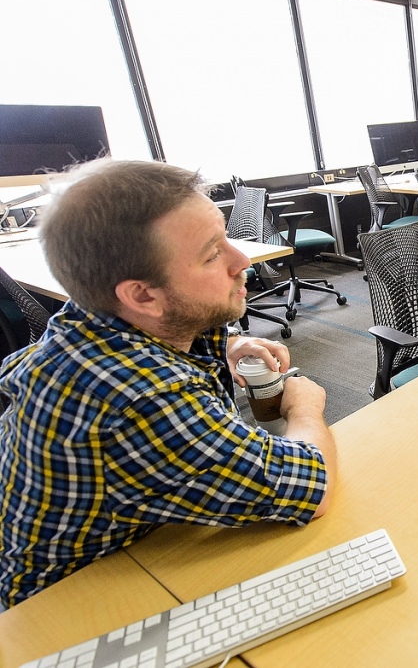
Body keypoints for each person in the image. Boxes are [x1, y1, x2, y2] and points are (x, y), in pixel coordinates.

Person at [0, 159, 337, 609]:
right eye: (212, 253)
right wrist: (304, 409)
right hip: (68, 614)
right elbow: (312, 489)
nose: (242, 262)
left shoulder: (91, 323)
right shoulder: (138, 396)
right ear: (141, 295)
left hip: (139, 548)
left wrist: (228, 342)